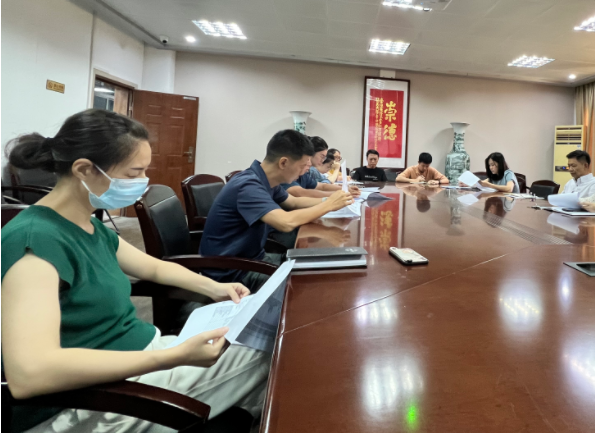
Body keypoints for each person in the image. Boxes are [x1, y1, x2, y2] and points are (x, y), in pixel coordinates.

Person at [1, 109, 269, 433]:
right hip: (89, 400)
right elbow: (30, 375)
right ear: (84, 169)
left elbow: (152, 267)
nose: (142, 183)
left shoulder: (86, 225)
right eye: (133, 173)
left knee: (260, 347)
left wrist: (214, 288)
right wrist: (174, 357)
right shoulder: (34, 243)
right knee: (272, 353)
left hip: (132, 362)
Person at [200, 130, 353, 291]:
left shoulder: (266, 181)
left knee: (319, 267)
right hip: (233, 272)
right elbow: (285, 222)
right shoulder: (248, 185)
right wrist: (328, 205)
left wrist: (329, 201)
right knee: (308, 286)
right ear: (283, 163)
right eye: (302, 166)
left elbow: (294, 202)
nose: (304, 171)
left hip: (254, 258)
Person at [281, 136, 360, 198]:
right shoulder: (287, 173)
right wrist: (340, 194)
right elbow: (300, 193)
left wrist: (345, 190)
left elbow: (321, 186)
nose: (323, 160)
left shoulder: (304, 173)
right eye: (322, 156)